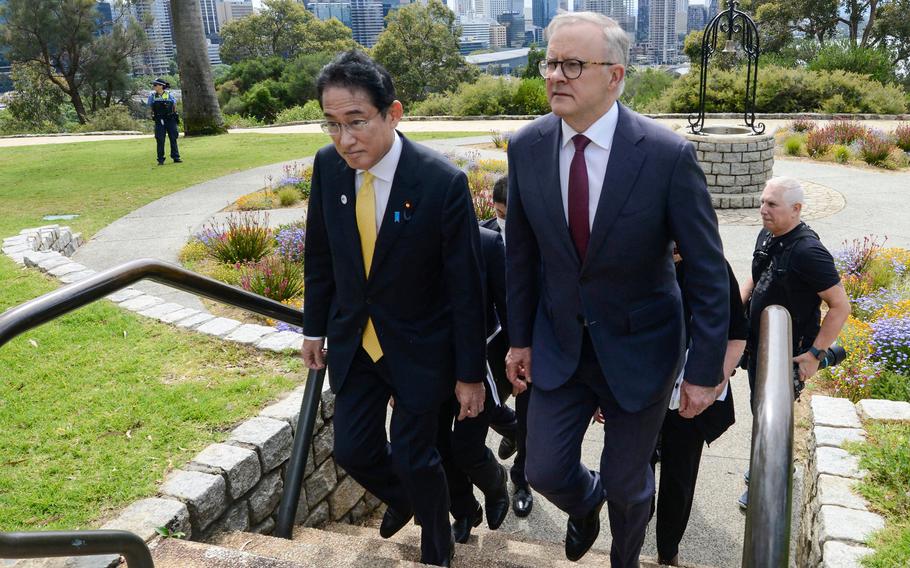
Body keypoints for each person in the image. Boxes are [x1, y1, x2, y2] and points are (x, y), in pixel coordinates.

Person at [504, 12, 730, 566]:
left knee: (629, 484)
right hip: (559, 343)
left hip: (640, 349)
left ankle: (624, 560)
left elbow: (706, 270)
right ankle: (585, 507)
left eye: (573, 64)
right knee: (545, 469)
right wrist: (519, 339)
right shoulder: (527, 146)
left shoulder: (665, 155)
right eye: (550, 62)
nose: (556, 75)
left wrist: (704, 372)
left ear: (615, 75)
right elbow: (522, 257)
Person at [301, 51, 486, 567]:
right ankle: (404, 498)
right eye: (333, 124)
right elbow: (320, 256)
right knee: (353, 451)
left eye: (356, 122)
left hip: (422, 347)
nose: (345, 139)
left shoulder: (440, 183)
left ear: (393, 113)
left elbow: (467, 289)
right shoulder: (327, 167)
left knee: (415, 455)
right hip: (355, 340)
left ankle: (437, 550)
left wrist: (470, 375)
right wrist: (313, 327)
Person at [737, 177, 850, 509]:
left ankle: (768, 485)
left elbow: (841, 306)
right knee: (761, 412)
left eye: (772, 204)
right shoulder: (769, 235)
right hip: (759, 349)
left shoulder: (808, 252)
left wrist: (814, 355)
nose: (763, 210)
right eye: (762, 202)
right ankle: (763, 468)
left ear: (796, 209)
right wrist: (735, 314)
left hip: (789, 354)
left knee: (775, 419)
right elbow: (755, 277)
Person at [652, 252, 748, 566]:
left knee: (678, 479)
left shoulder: (713, 267)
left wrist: (712, 386)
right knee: (633, 472)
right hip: (640, 393)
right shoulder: (636, 256)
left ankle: (668, 553)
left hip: (690, 396)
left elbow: (736, 334)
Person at [437, 225, 511, 544]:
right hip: (431, 365)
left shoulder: (487, 243)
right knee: (438, 446)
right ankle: (465, 510)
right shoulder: (409, 238)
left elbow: (511, 313)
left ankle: (496, 486)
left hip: (478, 366)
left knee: (466, 448)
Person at [479, 175, 534, 517]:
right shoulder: (482, 235)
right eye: (499, 212)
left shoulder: (543, 239)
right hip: (491, 344)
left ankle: (522, 479)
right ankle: (510, 430)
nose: (503, 221)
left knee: (529, 415)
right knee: (481, 407)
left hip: (531, 342)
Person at [147, 78, 181, 165]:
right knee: (160, 139)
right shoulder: (152, 96)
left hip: (170, 119)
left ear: (161, 86)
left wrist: (174, 115)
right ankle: (160, 159)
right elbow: (150, 108)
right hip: (159, 120)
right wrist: (151, 116)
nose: (153, 86)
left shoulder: (169, 95)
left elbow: (174, 106)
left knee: (173, 138)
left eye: (155, 85)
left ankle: (176, 157)